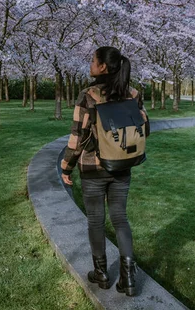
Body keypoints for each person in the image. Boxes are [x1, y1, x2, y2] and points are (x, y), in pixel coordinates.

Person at [60, 46, 147, 297]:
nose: (90, 64)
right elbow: (143, 128)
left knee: (96, 220)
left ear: (102, 67)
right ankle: (128, 278)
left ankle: (101, 273)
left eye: (93, 60)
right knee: (120, 218)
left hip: (93, 168)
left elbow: (77, 137)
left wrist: (66, 166)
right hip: (122, 165)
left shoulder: (88, 95)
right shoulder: (133, 94)